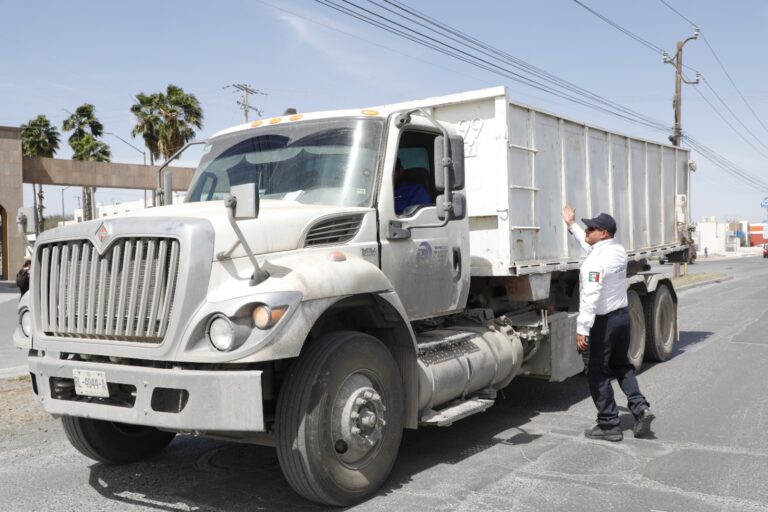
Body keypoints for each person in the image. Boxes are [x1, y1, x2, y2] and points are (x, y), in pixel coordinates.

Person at [561, 206, 655, 441]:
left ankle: (609, 424)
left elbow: (590, 297)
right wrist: (572, 225)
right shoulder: (617, 251)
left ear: (603, 233)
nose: (588, 231)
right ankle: (640, 408)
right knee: (622, 366)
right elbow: (590, 248)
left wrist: (582, 330)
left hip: (602, 323)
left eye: (591, 228)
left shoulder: (595, 263)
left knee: (597, 373)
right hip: (622, 318)